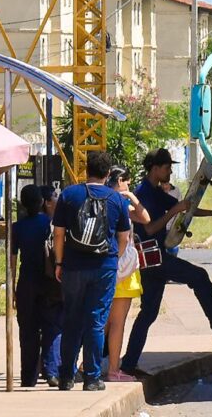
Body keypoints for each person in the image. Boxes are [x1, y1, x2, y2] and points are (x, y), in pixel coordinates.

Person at [120, 149, 212, 376]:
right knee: (199, 276)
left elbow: (187, 207)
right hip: (153, 258)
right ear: (155, 168)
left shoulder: (155, 191)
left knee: (148, 314)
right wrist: (174, 210)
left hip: (154, 259)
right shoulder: (143, 193)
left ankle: (127, 365)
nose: (170, 171)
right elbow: (150, 227)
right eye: (167, 167)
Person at [52, 151, 131, 391]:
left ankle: (66, 377)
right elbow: (124, 238)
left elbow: (58, 233)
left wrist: (59, 262)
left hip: (73, 267)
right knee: (96, 322)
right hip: (103, 267)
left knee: (72, 320)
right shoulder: (116, 200)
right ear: (108, 175)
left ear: (86, 170)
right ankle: (93, 378)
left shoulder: (69, 195)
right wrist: (113, 260)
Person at [12, 185, 62, 388]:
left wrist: (12, 290)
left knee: (28, 331)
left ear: (23, 204)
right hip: (50, 282)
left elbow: (12, 261)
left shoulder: (17, 227)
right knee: (52, 326)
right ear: (42, 202)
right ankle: (51, 372)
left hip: (26, 283)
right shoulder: (49, 223)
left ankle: (28, 377)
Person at [104, 167, 149, 382]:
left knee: (100, 323)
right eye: (127, 183)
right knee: (117, 323)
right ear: (120, 180)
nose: (128, 187)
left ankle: (87, 365)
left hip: (101, 266)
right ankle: (114, 369)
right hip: (121, 270)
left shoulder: (100, 200)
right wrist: (130, 197)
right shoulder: (121, 203)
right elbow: (145, 217)